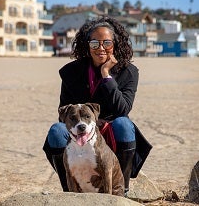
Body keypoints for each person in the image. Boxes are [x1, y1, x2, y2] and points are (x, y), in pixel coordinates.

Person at [43, 16, 152, 197]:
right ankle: (68, 190)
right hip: (81, 131)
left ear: (115, 44)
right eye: (95, 44)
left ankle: (122, 190)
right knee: (56, 130)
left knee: (124, 124)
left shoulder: (129, 72)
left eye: (107, 43)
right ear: (87, 45)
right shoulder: (71, 72)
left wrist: (106, 75)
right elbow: (62, 114)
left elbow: (123, 109)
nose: (101, 48)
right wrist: (88, 122)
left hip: (112, 131)